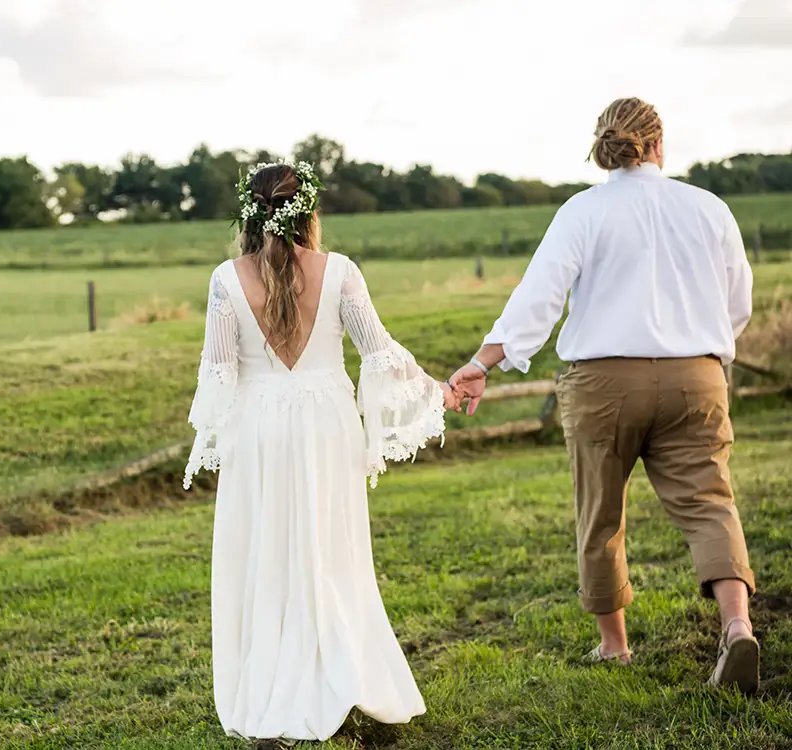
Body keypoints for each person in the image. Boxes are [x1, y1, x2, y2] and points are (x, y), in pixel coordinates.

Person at [449, 97, 759, 693]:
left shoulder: (582, 211)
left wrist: (481, 361)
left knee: (601, 513)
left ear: (605, 148)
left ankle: (615, 647)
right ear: (659, 144)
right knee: (711, 504)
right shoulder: (708, 208)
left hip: (604, 384)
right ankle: (738, 626)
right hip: (697, 376)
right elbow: (736, 303)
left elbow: (539, 297)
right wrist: (704, 352)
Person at [183, 160, 461, 742]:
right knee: (332, 552)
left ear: (248, 213)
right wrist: (436, 388)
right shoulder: (340, 272)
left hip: (260, 429)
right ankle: (345, 678)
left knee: (268, 554)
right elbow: (379, 352)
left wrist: (225, 433)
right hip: (327, 423)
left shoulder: (225, 280)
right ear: (309, 210)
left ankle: (272, 696)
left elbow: (217, 375)